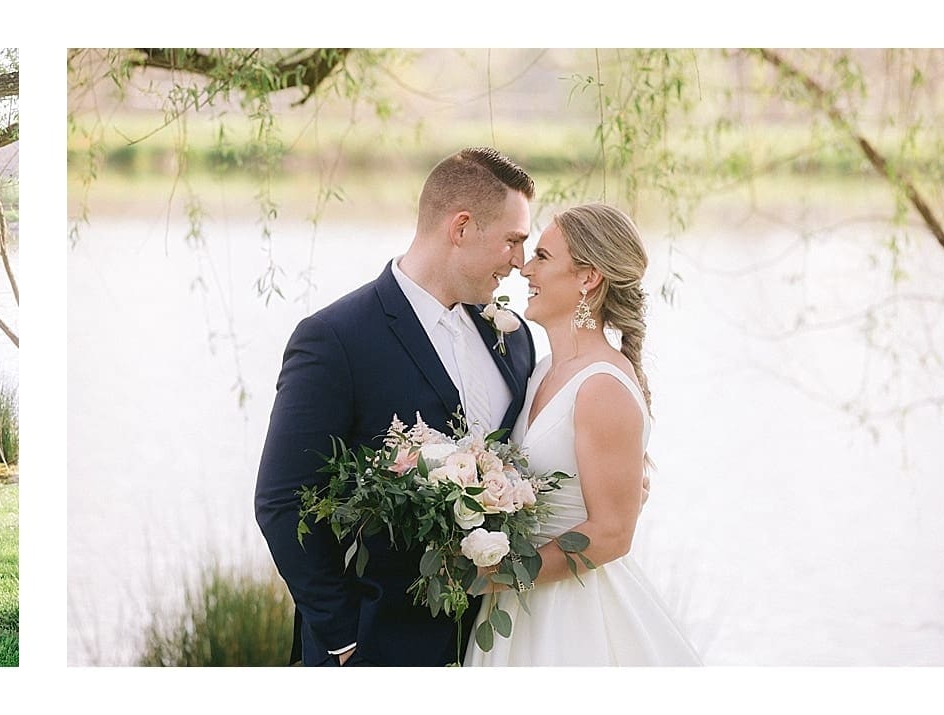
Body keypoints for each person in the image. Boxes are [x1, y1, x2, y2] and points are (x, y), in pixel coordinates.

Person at [255, 147, 540, 666]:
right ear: (461, 228)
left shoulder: (514, 340)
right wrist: (345, 641)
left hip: (493, 641)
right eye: (513, 240)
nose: (520, 262)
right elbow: (281, 500)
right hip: (374, 645)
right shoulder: (335, 338)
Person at [462, 203, 699, 666]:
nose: (525, 269)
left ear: (588, 277)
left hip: (571, 615)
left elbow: (612, 533)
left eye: (544, 257)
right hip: (519, 605)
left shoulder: (601, 386)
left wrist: (499, 576)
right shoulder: (544, 370)